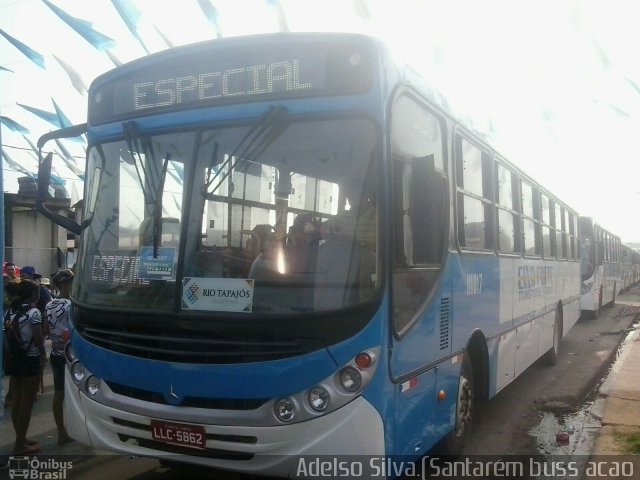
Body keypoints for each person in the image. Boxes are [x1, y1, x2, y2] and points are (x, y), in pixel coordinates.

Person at [4, 279, 45, 454]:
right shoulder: (34, 312)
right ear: (34, 294)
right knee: (26, 405)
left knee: (17, 401)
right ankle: (20, 444)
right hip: (31, 360)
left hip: (15, 360)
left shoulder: (9, 312)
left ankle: (21, 438)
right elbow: (38, 340)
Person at [45, 269, 74, 445]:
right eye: (71, 281)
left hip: (55, 354)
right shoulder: (70, 306)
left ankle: (61, 432)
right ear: (65, 284)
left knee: (58, 394)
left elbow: (46, 330)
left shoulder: (49, 305)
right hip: (71, 356)